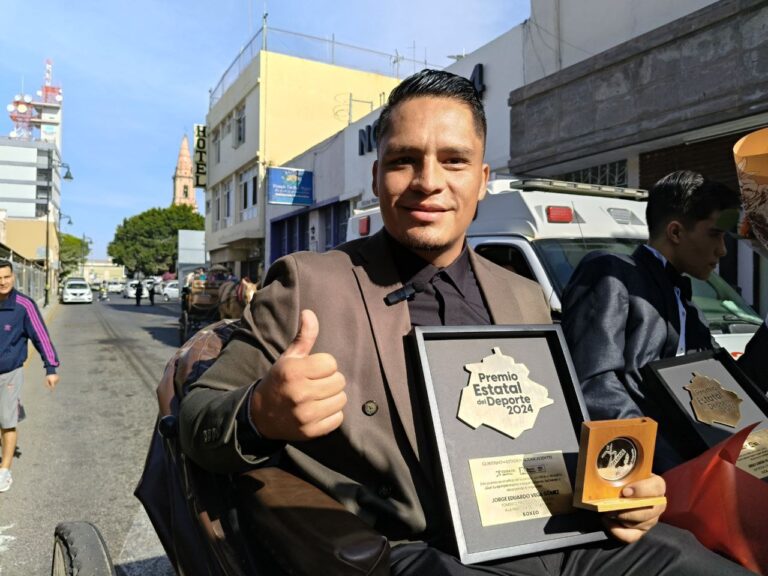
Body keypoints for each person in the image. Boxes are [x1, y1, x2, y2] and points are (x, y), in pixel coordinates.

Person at [179, 71, 750, 575]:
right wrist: (260, 412)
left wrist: (626, 489)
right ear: (378, 177)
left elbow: (562, 435)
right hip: (419, 551)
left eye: (453, 161)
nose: (429, 181)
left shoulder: (523, 296)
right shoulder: (309, 283)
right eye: (405, 160)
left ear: (482, 178)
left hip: (564, 535)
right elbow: (196, 416)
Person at [561, 171, 768, 471]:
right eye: (715, 234)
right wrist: (670, 470)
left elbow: (731, 391)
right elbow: (594, 387)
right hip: (647, 484)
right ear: (675, 232)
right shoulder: (610, 272)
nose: (723, 250)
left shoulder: (685, 307)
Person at [0, 260, 60, 492]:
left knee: (6, 422)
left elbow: (40, 336)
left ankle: (5, 470)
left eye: (6, 277)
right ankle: (14, 406)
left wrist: (51, 367)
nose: (3, 282)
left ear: (13, 277)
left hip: (9, 373)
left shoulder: (24, 305)